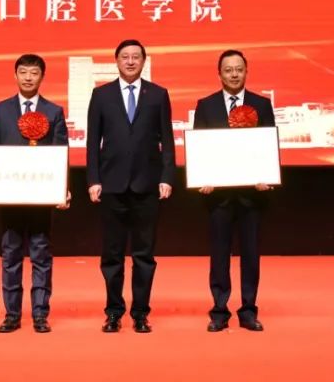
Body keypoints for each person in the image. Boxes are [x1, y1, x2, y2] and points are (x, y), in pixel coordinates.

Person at [0, 54, 70, 333]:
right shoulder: (1, 110)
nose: (28, 77)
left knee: (41, 254)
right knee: (11, 253)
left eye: (34, 73)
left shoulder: (54, 111)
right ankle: (12, 314)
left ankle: (40, 314)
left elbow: (60, 152)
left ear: (42, 77)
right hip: (9, 193)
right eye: (23, 72)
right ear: (15, 75)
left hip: (41, 195)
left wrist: (63, 188)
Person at [86, 39, 175, 333]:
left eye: (136, 57)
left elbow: (167, 140)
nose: (131, 61)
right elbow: (92, 142)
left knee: (144, 255)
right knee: (112, 255)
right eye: (125, 57)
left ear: (143, 61)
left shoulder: (158, 94)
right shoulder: (101, 95)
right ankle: (113, 312)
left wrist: (167, 177)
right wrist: (93, 179)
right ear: (117, 61)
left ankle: (140, 313)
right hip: (111, 185)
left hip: (147, 185)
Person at [192, 49, 275, 332]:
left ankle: (249, 310)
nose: (234, 74)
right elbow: (200, 147)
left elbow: (268, 144)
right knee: (219, 256)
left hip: (252, 194)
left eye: (239, 69)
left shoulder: (261, 105)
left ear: (246, 71)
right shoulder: (206, 106)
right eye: (228, 70)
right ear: (219, 74)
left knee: (251, 255)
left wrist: (266, 176)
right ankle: (219, 311)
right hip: (219, 196)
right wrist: (202, 177)